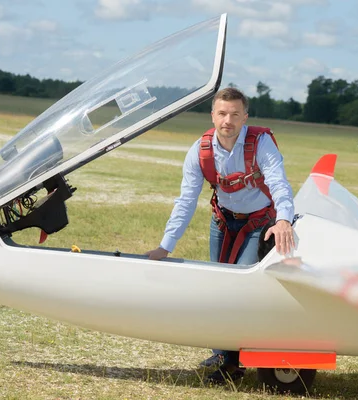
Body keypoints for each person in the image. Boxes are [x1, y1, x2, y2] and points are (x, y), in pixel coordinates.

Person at [145, 87, 295, 384]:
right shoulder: (199, 150)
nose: (228, 120)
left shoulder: (260, 143)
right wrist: (166, 246)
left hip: (259, 223)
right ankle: (222, 352)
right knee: (217, 282)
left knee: (239, 283)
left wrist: (284, 221)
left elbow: (279, 184)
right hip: (223, 221)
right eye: (223, 113)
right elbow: (186, 200)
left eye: (235, 114)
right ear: (213, 115)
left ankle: (234, 364)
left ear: (245, 117)